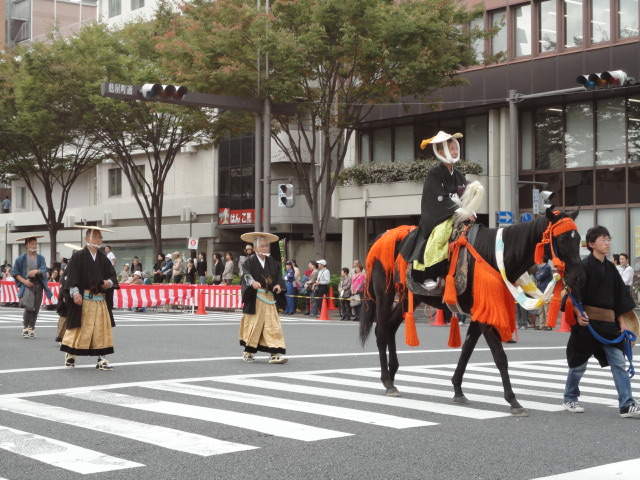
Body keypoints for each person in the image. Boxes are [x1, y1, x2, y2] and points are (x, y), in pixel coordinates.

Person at [563, 225, 640, 418]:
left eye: (608, 239)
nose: (607, 242)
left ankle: (626, 404)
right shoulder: (583, 266)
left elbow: (620, 298)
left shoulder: (611, 269)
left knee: (619, 362)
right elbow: (572, 294)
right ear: (591, 244)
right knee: (579, 365)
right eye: (603, 239)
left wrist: (622, 321)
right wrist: (577, 313)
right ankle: (570, 397)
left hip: (609, 325)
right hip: (587, 324)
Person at [399, 131, 469, 291]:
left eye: (455, 148)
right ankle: (429, 274)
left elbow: (464, 196)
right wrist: (459, 210)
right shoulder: (434, 174)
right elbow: (439, 198)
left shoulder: (459, 175)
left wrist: (469, 209)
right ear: (441, 152)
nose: (454, 151)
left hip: (458, 215)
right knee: (441, 234)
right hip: (438, 216)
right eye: (451, 149)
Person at [59, 226, 118, 370]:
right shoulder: (78, 256)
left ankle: (102, 358)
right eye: (95, 236)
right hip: (83, 299)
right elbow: (70, 277)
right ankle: (70, 355)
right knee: (78, 328)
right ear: (87, 238)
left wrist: (108, 283)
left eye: (100, 237)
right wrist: (75, 293)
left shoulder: (103, 258)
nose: (99, 239)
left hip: (99, 300)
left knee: (101, 329)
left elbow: (112, 276)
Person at [238, 231, 287, 364]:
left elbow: (279, 277)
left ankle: (275, 353)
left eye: (267, 246)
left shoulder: (273, 262)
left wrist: (278, 285)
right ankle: (248, 351)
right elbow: (245, 275)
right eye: (263, 246)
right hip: (255, 298)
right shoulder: (249, 262)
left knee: (273, 324)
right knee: (254, 325)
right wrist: (252, 282)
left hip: (269, 297)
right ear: (255, 248)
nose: (266, 248)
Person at [13, 235, 52, 338]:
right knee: (29, 307)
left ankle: (32, 328)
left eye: (35, 244)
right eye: (32, 244)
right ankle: (25, 327)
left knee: (36, 308)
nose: (34, 246)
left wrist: (36, 271)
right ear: (26, 245)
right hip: (27, 285)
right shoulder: (20, 259)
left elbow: (44, 269)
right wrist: (25, 281)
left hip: (39, 285)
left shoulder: (41, 258)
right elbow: (15, 273)